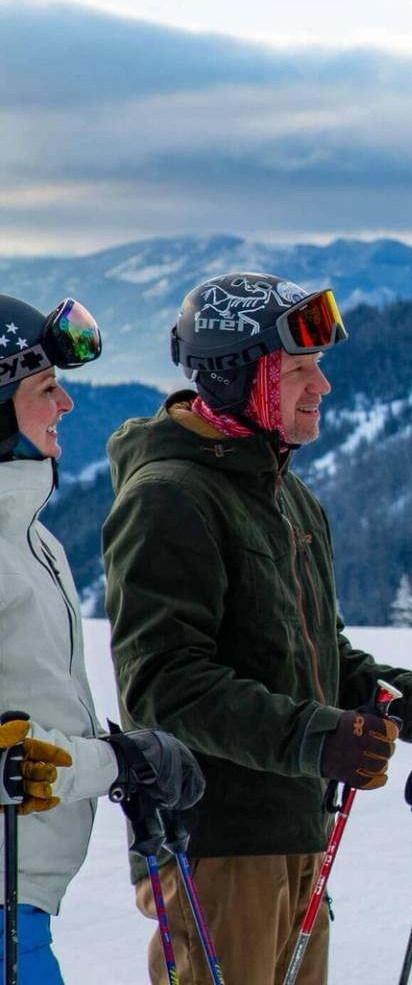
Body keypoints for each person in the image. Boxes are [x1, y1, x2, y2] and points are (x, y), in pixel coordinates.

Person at [102, 273, 412, 985]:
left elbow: (321, 661)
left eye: (317, 366)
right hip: (215, 845)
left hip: (297, 832)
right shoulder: (170, 498)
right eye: (298, 370)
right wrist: (318, 738)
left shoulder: (288, 497)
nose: (323, 386)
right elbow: (164, 685)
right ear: (236, 378)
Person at [0, 293, 202, 984]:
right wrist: (112, 765)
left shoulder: (30, 538)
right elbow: (15, 761)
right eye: (44, 389)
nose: (67, 404)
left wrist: (121, 759)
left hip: (20, 903)